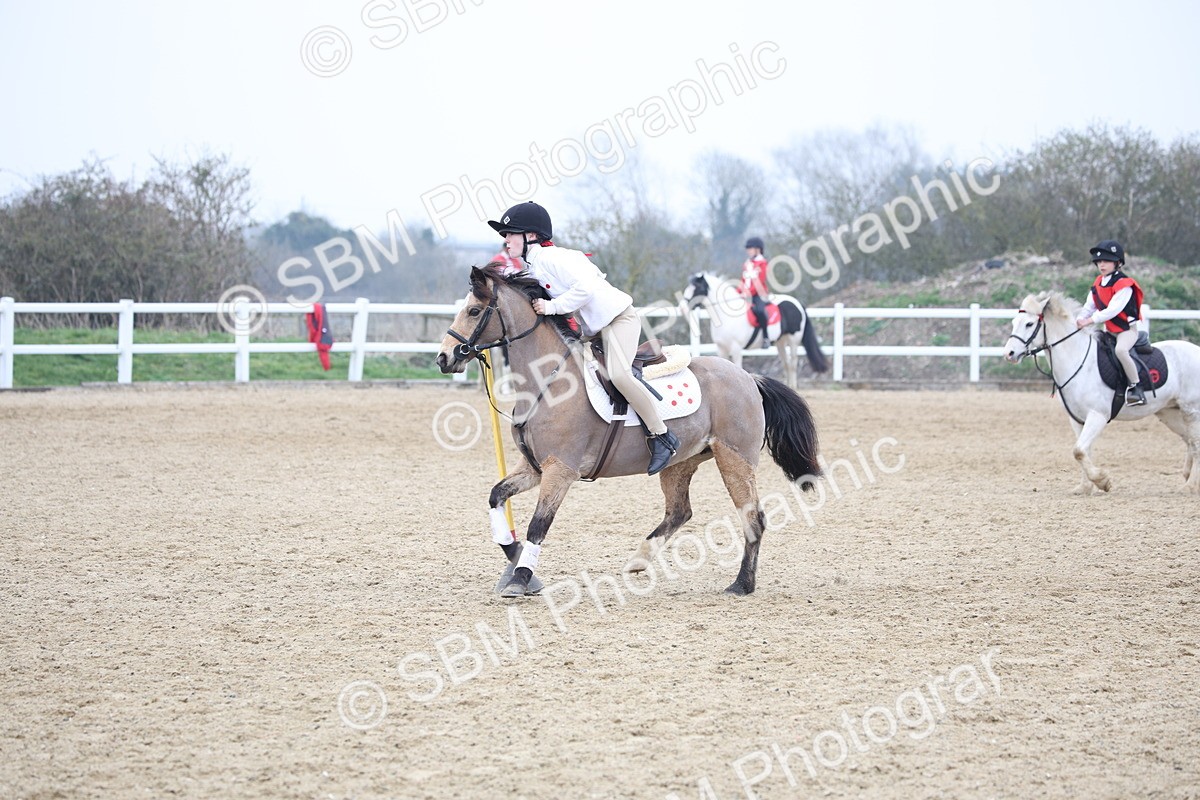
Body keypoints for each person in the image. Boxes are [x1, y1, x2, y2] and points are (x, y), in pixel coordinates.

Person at [487, 201, 680, 475]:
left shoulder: (555, 258)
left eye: (510, 233)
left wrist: (552, 307)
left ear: (530, 236)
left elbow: (586, 288)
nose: (505, 240)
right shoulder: (535, 265)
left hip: (619, 319)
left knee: (619, 375)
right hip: (596, 330)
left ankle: (663, 436)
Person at [1076, 239, 1146, 406]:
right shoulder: (1098, 282)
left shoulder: (1124, 284)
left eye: (1106, 261)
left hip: (1126, 331)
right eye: (1099, 261)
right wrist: (1079, 319)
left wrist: (1090, 321)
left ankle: (1137, 388)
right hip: (1109, 330)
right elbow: (1089, 306)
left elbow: (1113, 310)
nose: (1102, 265)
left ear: (1118, 263)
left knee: (1121, 350)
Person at [740, 236, 771, 346]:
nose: (748, 251)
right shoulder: (747, 264)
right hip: (746, 294)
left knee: (760, 311)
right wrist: (738, 291)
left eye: (750, 248)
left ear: (758, 249)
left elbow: (760, 282)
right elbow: (743, 280)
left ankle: (766, 338)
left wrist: (748, 293)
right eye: (747, 249)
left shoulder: (762, 263)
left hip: (759, 295)